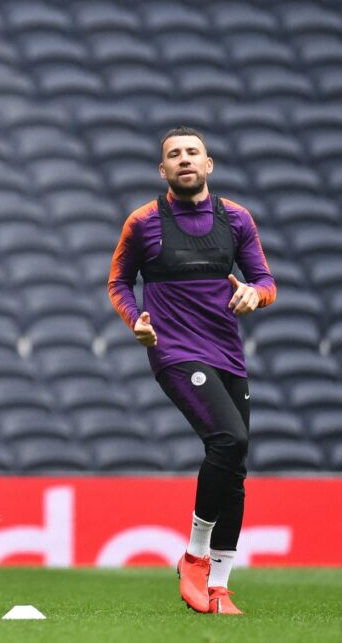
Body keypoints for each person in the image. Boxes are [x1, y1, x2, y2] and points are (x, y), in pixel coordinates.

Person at [108, 127, 276, 615]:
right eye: (174, 155)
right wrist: (135, 320)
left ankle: (220, 588)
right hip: (175, 350)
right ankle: (194, 555)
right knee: (229, 440)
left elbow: (264, 278)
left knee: (236, 472)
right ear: (163, 171)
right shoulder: (143, 222)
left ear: (209, 164)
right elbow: (119, 281)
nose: (184, 160)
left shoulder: (237, 219)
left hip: (227, 353)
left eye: (192, 153)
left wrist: (255, 293)